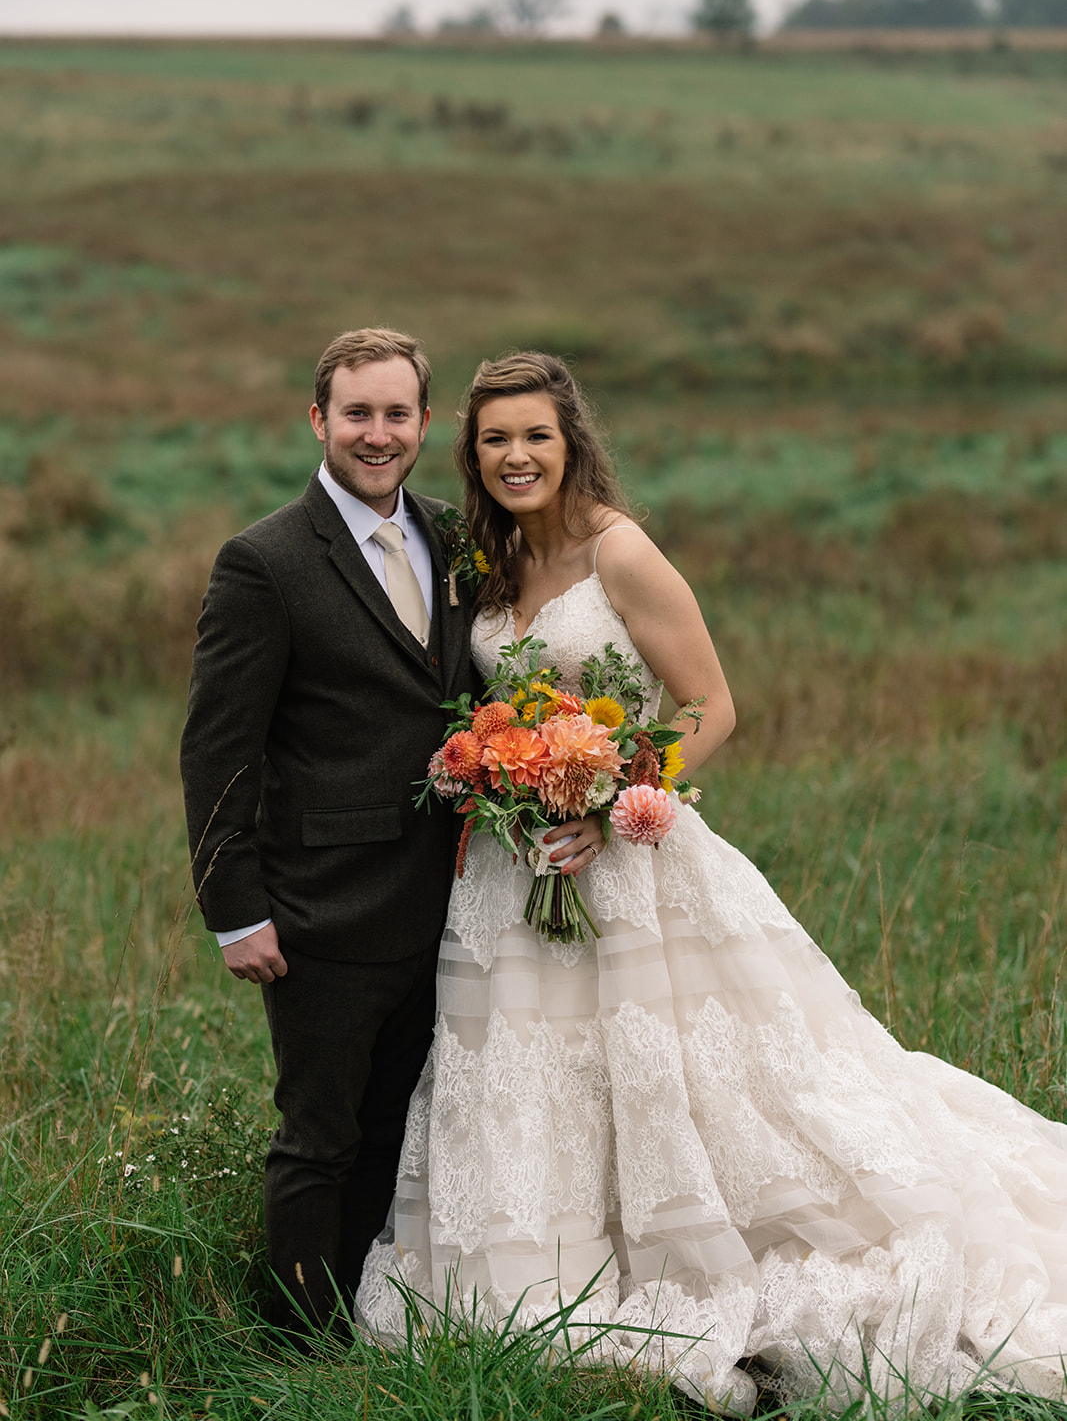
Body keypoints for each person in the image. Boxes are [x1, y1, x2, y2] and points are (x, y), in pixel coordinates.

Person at [357, 350, 1067, 1411]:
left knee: (703, 1080)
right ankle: (550, 1273)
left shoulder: (621, 553)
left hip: (630, 859)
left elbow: (709, 704)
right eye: (494, 438)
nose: (515, 455)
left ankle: (713, 1257)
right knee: (528, 1079)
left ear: (570, 441)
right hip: (512, 873)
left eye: (535, 436)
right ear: (472, 453)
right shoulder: (486, 567)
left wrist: (612, 799)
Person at [179, 329, 603, 1335]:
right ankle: (291, 1343)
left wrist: (577, 784)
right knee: (318, 1135)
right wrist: (233, 910)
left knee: (399, 1131)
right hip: (320, 904)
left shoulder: (459, 536)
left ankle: (366, 1321)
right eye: (357, 413)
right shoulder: (265, 560)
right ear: (318, 419)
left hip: (456, 896)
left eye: (397, 414)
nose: (378, 434)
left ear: (425, 423)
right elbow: (218, 749)